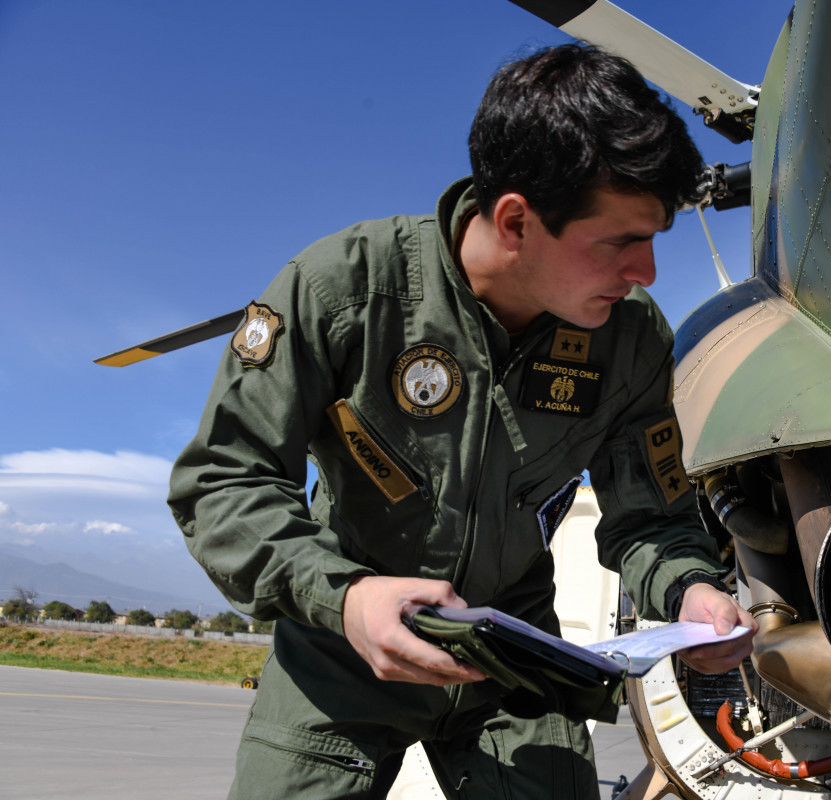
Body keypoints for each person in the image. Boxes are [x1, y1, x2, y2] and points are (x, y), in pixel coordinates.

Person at [168, 43, 755, 799]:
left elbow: (653, 522)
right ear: (516, 221)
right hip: (340, 652)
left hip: (512, 668)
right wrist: (343, 598)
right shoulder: (345, 290)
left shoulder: (633, 341)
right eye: (621, 242)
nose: (644, 271)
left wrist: (688, 591)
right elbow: (223, 481)